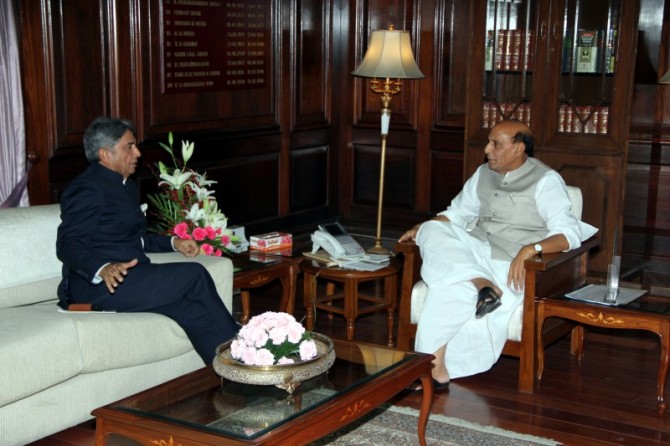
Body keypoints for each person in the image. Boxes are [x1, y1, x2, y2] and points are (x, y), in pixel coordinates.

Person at [398, 119, 597, 390]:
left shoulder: (546, 180)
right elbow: (455, 214)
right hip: (473, 252)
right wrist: (422, 228)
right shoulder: (482, 173)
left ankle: (433, 368)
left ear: (519, 148)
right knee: (432, 228)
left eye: (496, 144)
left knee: (447, 286)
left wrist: (531, 248)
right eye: (489, 142)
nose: (488, 149)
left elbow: (569, 234)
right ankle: (481, 284)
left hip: (510, 262)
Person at [56, 116, 238, 364]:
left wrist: (173, 243)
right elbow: (67, 244)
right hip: (96, 287)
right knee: (194, 275)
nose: (137, 153)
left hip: (131, 277)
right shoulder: (87, 188)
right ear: (105, 154)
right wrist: (103, 268)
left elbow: (134, 240)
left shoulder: (125, 186)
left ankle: (232, 374)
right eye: (128, 146)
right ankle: (247, 357)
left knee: (190, 310)